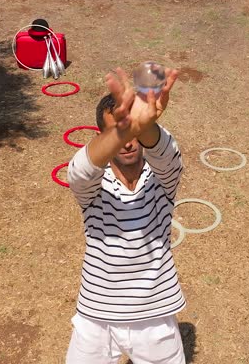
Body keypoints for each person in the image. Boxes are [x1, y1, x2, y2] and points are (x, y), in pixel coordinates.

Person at [65, 67, 186, 364]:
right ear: (103, 136)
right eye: (119, 132)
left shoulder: (161, 181)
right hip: (96, 314)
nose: (129, 141)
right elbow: (79, 173)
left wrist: (144, 125)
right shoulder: (94, 188)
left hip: (155, 314)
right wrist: (122, 131)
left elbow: (169, 158)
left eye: (134, 134)